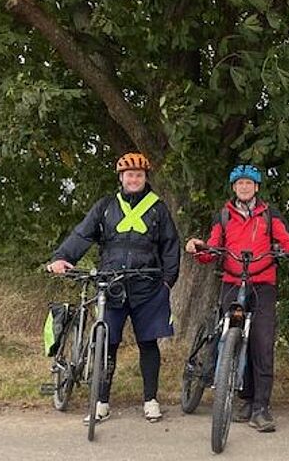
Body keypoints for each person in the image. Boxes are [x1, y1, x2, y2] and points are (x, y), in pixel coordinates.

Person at [47, 152, 180, 424]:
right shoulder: (107, 206)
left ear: (145, 178)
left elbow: (170, 245)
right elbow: (82, 233)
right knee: (106, 343)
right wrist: (62, 258)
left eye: (139, 175)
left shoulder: (158, 208)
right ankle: (101, 402)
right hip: (112, 285)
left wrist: (168, 281)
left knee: (148, 344)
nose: (134, 179)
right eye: (130, 175)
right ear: (121, 178)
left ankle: (150, 401)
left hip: (148, 285)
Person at [185, 164, 289, 433]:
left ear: (257, 187)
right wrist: (199, 249)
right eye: (239, 183)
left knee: (261, 344)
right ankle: (244, 399)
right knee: (230, 336)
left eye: (249, 183)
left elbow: (285, 239)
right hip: (232, 281)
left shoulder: (268, 214)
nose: (244, 187)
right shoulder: (224, 216)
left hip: (262, 283)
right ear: (234, 187)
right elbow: (213, 246)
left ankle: (260, 407)